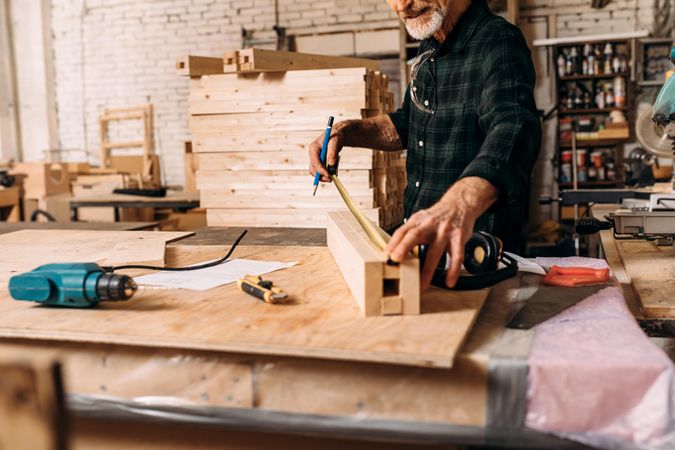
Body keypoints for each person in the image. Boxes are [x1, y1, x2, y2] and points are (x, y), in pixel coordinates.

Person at [308, 0, 541, 289]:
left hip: (471, 262)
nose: (403, 4)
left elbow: (515, 127)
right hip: (419, 254)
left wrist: (460, 205)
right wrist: (345, 132)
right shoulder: (430, 44)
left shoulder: (499, 41)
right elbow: (408, 123)